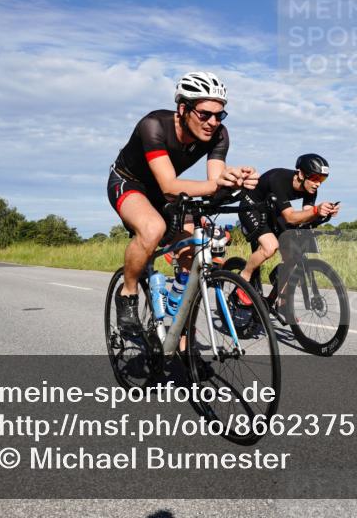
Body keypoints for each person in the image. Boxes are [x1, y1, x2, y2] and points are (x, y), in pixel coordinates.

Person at [107, 71, 258, 329]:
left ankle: (179, 331)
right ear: (183, 108)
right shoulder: (153, 126)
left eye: (219, 115)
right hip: (129, 182)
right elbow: (169, 185)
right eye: (204, 114)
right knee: (153, 228)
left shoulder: (219, 135)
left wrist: (235, 179)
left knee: (192, 248)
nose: (213, 122)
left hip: (168, 191)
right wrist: (217, 184)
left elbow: (215, 180)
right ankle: (128, 293)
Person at [235, 153, 340, 304]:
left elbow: (306, 215)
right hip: (251, 207)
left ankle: (281, 303)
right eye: (315, 178)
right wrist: (316, 211)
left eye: (322, 180)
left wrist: (323, 214)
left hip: (272, 209)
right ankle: (244, 277)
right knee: (270, 247)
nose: (318, 184)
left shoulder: (311, 189)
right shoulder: (278, 179)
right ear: (301, 174)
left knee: (293, 254)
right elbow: (290, 217)